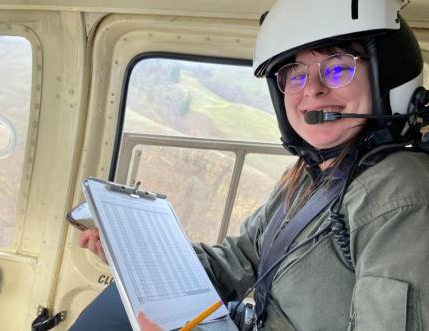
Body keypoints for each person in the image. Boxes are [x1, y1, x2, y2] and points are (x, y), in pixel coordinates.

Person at [70, 0, 429, 330]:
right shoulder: (311, 177)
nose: (312, 90)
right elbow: (237, 259)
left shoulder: (399, 191)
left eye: (337, 69)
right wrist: (136, 256)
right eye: (296, 74)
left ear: (388, 78)